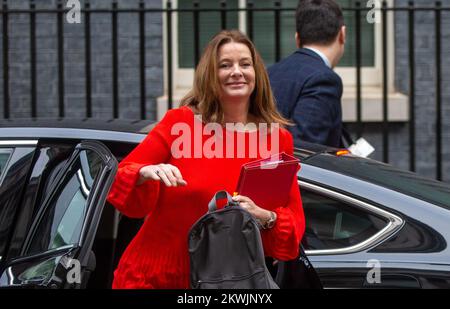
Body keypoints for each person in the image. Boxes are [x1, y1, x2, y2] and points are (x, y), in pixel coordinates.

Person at [107, 30, 305, 289]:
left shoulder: (277, 139)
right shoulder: (180, 123)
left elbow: (291, 222)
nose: (236, 71)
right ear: (211, 74)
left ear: (256, 73)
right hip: (158, 277)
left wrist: (264, 216)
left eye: (245, 64)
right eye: (225, 65)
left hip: (229, 283)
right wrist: (146, 172)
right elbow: (124, 175)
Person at [268, 0, 346, 148]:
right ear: (342, 34)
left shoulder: (270, 72)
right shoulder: (324, 79)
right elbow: (305, 149)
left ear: (297, 39)